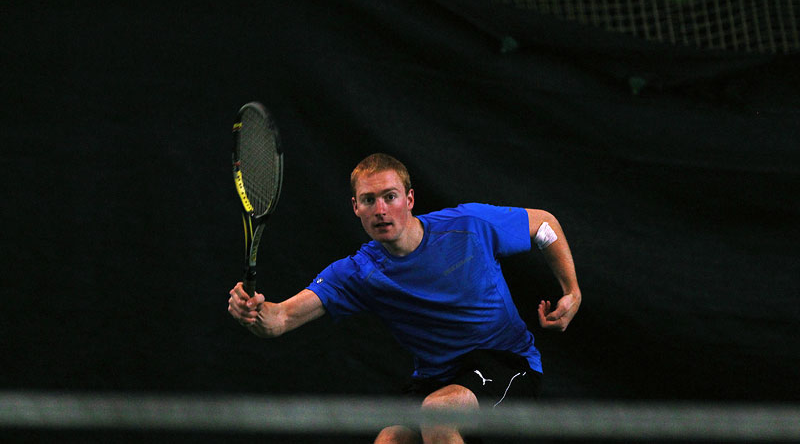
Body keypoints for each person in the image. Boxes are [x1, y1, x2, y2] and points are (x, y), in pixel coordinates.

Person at [228, 153, 581, 444]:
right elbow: (280, 319)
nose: (380, 209)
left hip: (506, 359)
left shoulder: (468, 225)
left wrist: (571, 291)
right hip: (438, 378)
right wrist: (255, 313)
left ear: (409, 199)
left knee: (438, 414)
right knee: (390, 441)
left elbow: (544, 226)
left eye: (390, 197)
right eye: (369, 200)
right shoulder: (358, 272)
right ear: (356, 207)